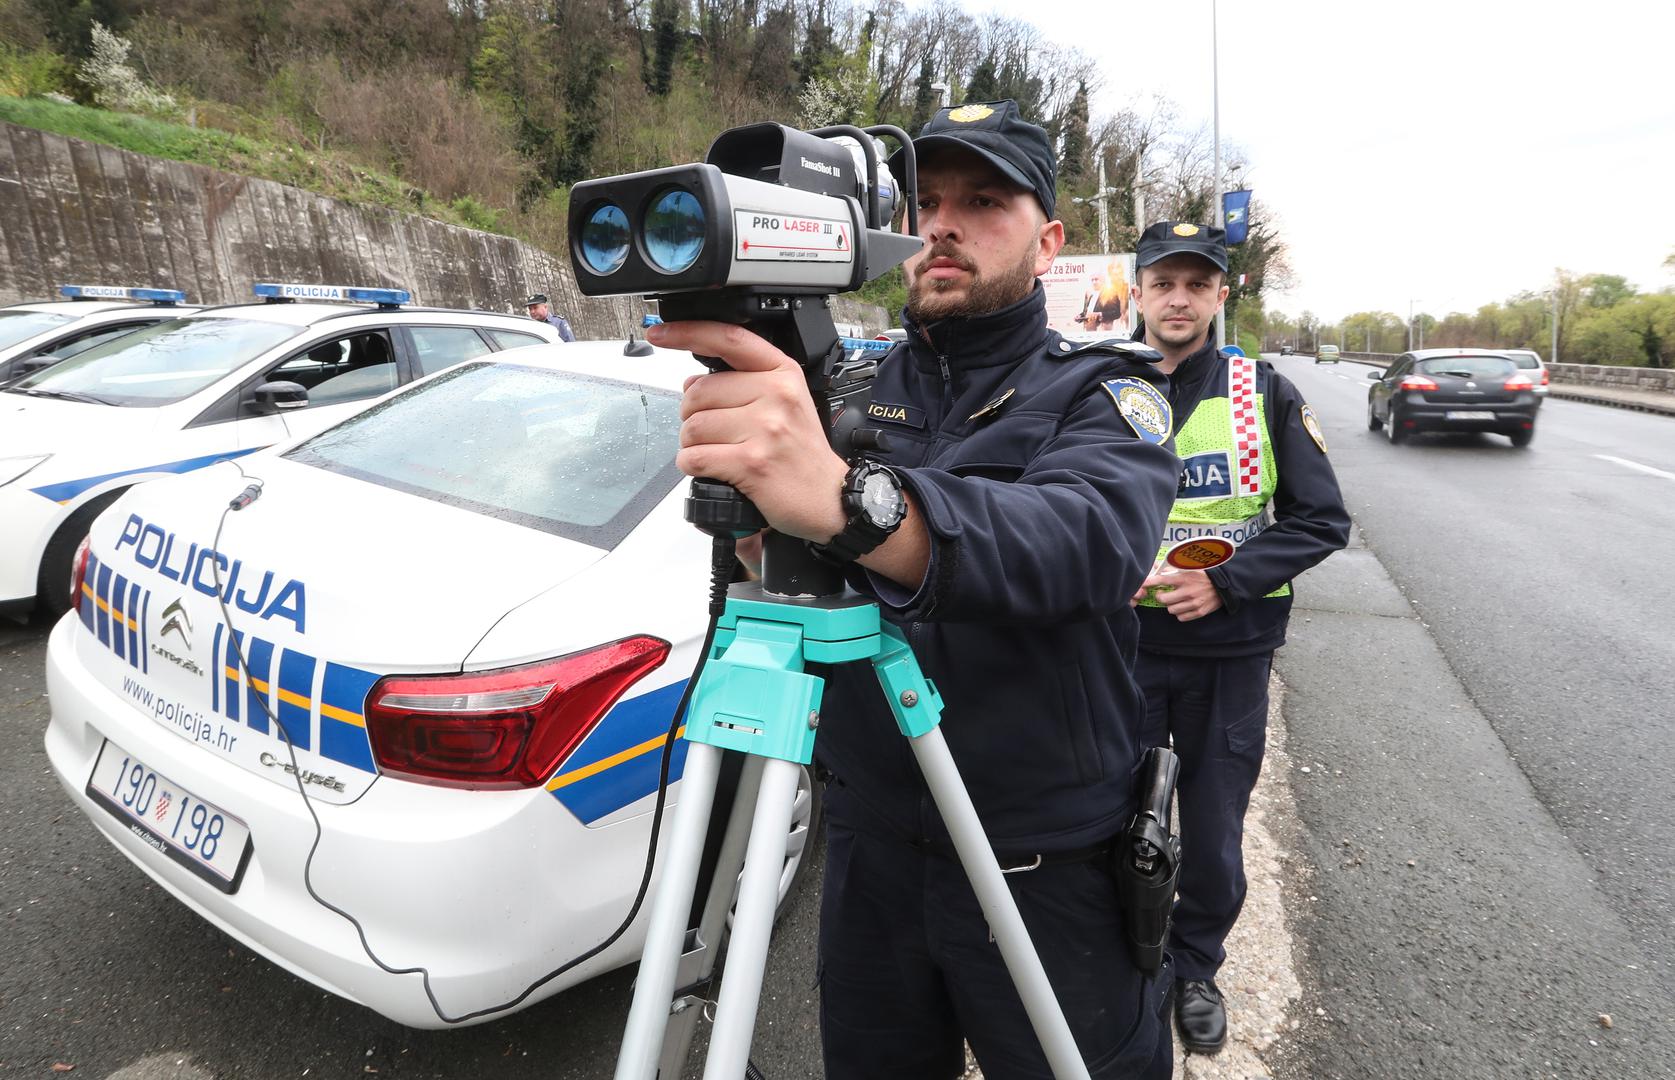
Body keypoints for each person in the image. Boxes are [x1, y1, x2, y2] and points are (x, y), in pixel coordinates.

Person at [648, 99, 1182, 1079]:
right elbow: (781, 569)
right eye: (926, 201)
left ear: (1048, 242)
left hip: (1041, 856)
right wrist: (763, 516)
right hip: (873, 843)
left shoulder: (1102, 391)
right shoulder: (844, 388)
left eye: (983, 202)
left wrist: (850, 502)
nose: (944, 224)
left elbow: (1088, 543)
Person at [1126, 221, 1350, 1054]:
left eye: (1196, 284)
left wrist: (1222, 582)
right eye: (1163, 283)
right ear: (1139, 292)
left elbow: (1320, 520)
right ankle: (1121, 959)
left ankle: (1193, 966)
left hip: (1227, 653)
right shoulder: (1099, 386)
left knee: (1214, 825)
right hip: (1120, 646)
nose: (1178, 299)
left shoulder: (1264, 391)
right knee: (1107, 809)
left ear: (1221, 295)